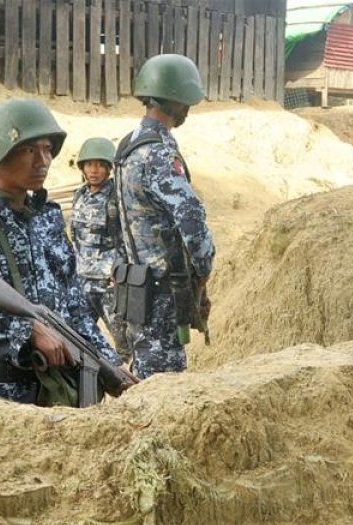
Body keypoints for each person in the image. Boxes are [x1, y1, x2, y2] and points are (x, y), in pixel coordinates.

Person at [0, 98, 127, 404]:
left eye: (48, 150)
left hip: (62, 390)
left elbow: (74, 302)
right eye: (29, 150)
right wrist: (25, 332)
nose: (43, 160)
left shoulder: (48, 216)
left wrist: (107, 362)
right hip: (3, 399)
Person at [114, 53, 216, 379]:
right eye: (187, 101)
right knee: (163, 387)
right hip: (160, 290)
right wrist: (203, 269)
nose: (188, 108)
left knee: (144, 370)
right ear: (176, 100)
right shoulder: (158, 153)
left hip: (133, 285)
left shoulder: (127, 145)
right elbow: (190, 217)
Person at [69, 137, 131, 358]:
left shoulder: (117, 198)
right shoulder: (79, 196)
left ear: (108, 168)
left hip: (109, 283)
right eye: (89, 164)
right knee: (76, 339)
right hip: (83, 281)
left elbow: (126, 239)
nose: (93, 170)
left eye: (99, 165)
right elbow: (75, 237)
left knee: (124, 342)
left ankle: (130, 386)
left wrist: (120, 270)